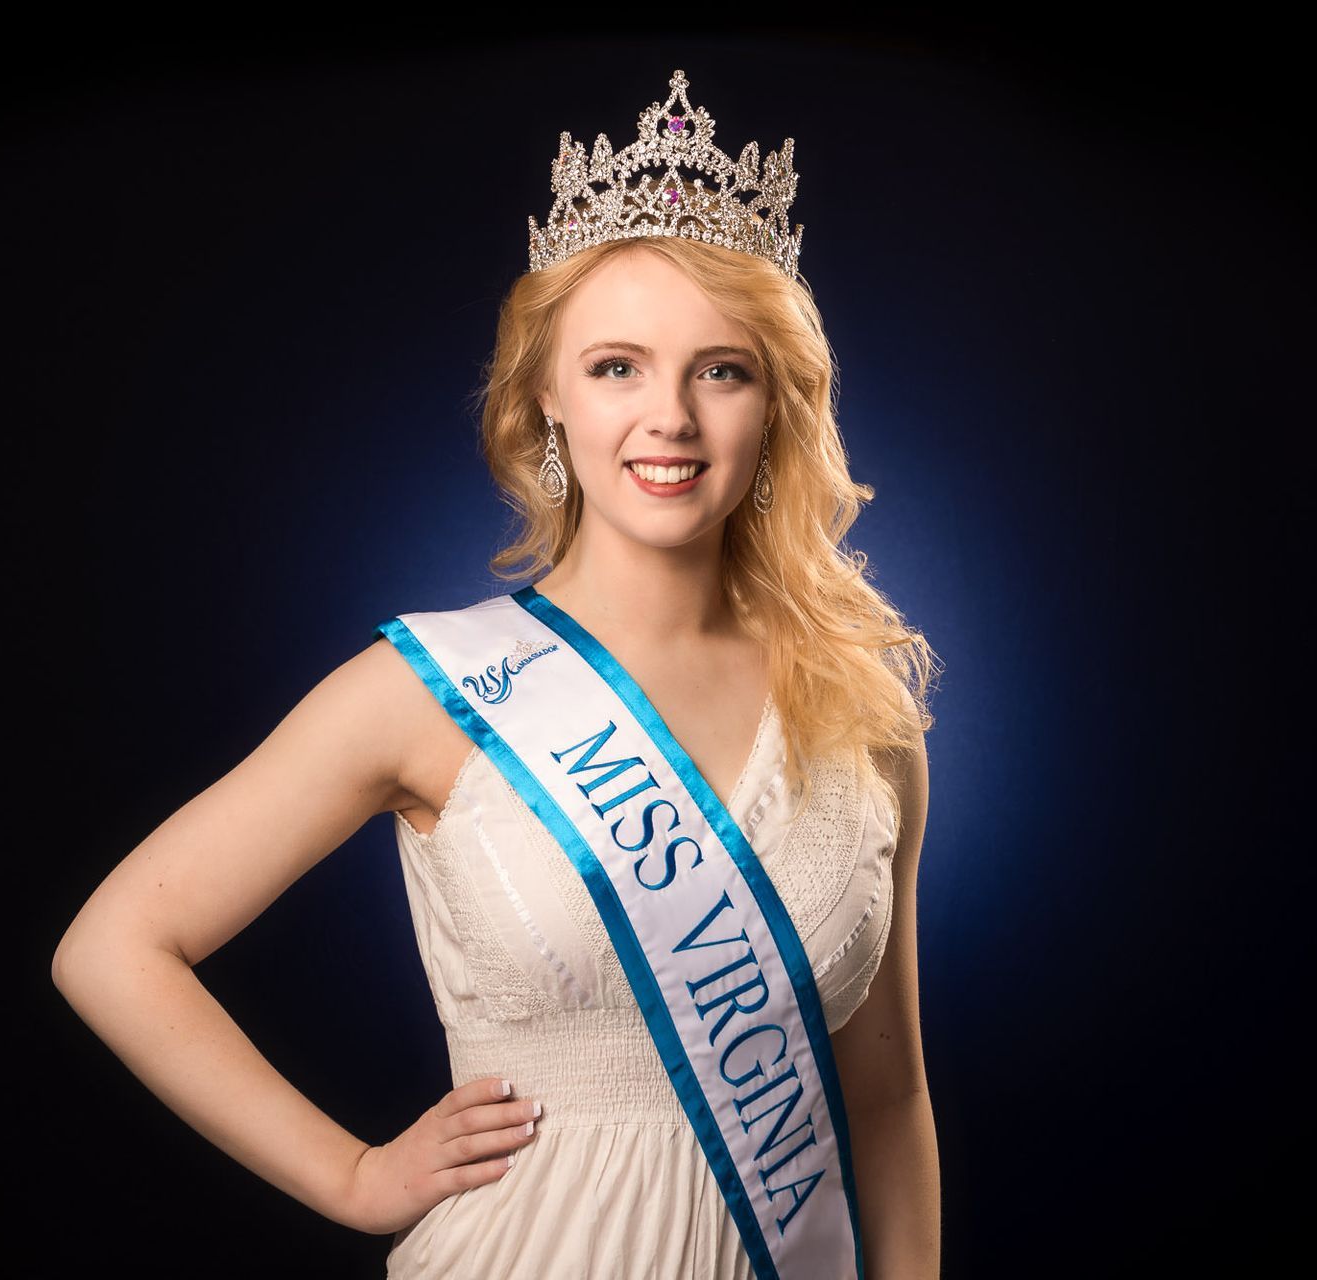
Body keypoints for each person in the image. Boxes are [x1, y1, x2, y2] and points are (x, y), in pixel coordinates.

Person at [53, 69, 942, 1279]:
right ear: (547, 401)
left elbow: (886, 1101)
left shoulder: (862, 712)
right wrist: (353, 1176)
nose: (669, 416)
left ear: (777, 405)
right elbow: (113, 946)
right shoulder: (431, 688)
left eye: (721, 368)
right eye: (617, 365)